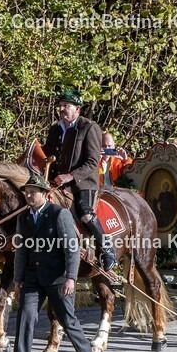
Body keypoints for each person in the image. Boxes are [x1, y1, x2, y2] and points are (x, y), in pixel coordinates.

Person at [5, 174, 96, 352]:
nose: (28, 195)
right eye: (27, 192)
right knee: (25, 318)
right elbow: (21, 252)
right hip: (32, 279)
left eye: (33, 192)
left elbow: (72, 250)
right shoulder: (23, 218)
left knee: (67, 319)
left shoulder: (59, 214)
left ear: (44, 194)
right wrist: (17, 281)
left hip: (58, 278)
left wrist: (71, 278)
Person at [43, 87, 115, 271]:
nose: (61, 109)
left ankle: (107, 248)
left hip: (84, 183)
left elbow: (92, 161)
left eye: (66, 106)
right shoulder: (55, 130)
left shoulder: (89, 127)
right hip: (57, 183)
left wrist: (71, 176)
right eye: (60, 106)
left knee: (84, 213)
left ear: (78, 109)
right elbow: (47, 155)